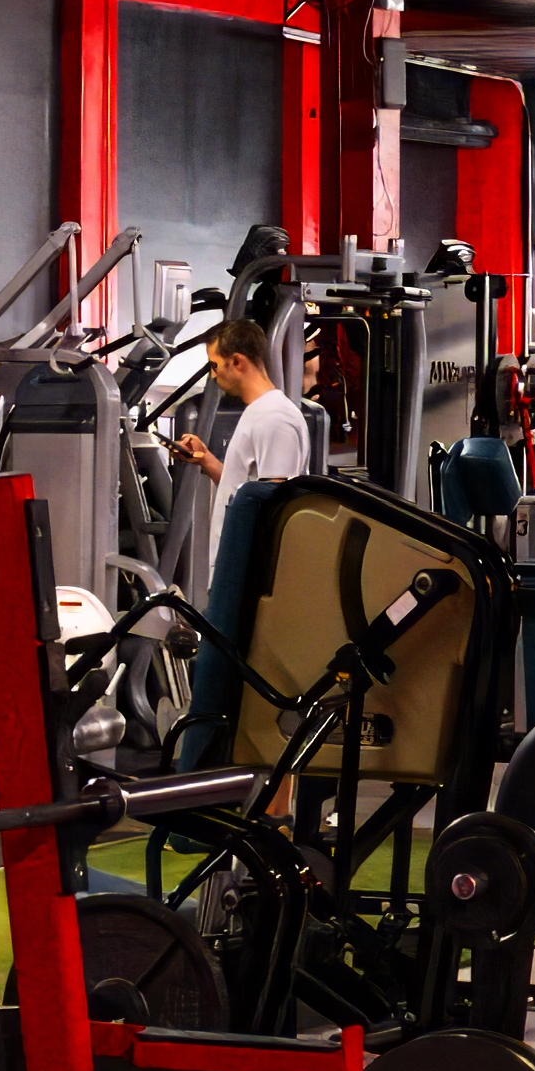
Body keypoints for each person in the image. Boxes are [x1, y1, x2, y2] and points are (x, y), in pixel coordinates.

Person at [181, 311, 314, 768]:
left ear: (238, 362)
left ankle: (225, 794)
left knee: (225, 686)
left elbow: (274, 504)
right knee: (224, 688)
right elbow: (247, 490)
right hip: (235, 572)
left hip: (252, 577)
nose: (215, 374)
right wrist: (209, 463)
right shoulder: (260, 415)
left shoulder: (276, 419)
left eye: (216, 365)